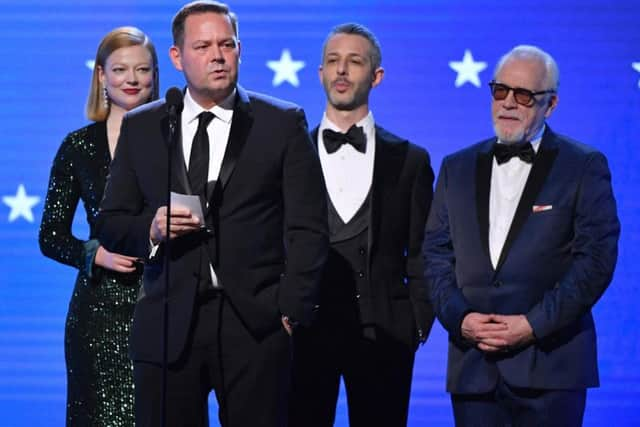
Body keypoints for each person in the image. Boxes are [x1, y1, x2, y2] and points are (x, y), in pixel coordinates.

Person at [95, 2, 328, 426]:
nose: (217, 56)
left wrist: (291, 310)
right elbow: (110, 221)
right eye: (202, 46)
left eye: (227, 44)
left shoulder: (282, 122)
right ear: (177, 57)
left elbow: (309, 228)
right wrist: (152, 227)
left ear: (240, 50)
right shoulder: (144, 126)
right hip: (168, 324)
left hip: (256, 324)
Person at [423, 45, 620, 427]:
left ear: (551, 104)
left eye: (524, 95)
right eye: (500, 91)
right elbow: (434, 256)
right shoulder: (456, 167)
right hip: (473, 370)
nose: (509, 103)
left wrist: (531, 325)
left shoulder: (583, 166)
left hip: (550, 368)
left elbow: (595, 261)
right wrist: (461, 319)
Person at [288, 23, 435, 427]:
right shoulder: (289, 154)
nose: (341, 71)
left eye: (354, 62)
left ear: (376, 75)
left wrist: (416, 324)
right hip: (305, 332)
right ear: (319, 73)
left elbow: (424, 251)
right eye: (333, 62)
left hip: (384, 335)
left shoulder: (410, 160)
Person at [38, 26, 159, 426]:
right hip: (97, 317)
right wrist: (97, 254)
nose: (133, 79)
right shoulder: (78, 146)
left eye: (142, 70)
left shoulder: (176, 137)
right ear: (102, 76)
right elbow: (50, 236)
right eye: (121, 69)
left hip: (162, 308)